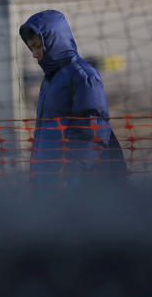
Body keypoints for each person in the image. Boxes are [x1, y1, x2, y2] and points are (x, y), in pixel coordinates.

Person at [19, 10, 125, 188]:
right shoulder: (49, 80)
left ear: (53, 42)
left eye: (37, 46)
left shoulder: (83, 76)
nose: (34, 54)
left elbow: (93, 132)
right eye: (32, 48)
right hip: (49, 181)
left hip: (71, 185)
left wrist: (72, 176)